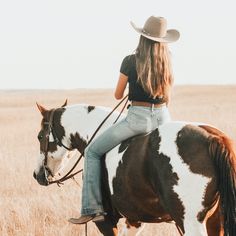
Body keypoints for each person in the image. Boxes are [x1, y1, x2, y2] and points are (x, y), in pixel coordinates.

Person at [69, 16, 180, 224]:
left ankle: (92, 208)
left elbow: (118, 95)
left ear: (142, 37)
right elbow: (168, 93)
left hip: (138, 119)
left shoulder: (130, 61)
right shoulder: (168, 60)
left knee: (92, 151)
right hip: (165, 118)